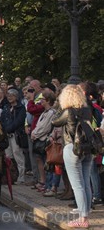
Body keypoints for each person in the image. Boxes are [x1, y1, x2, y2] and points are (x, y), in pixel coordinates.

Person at [52, 85, 93, 228]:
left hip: (72, 148)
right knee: (86, 183)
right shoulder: (87, 110)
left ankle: (82, 219)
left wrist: (59, 106)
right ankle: (85, 214)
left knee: (77, 186)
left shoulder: (68, 111)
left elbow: (54, 121)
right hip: (87, 148)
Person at [0, 88, 27, 185]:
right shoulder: (6, 107)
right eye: (8, 96)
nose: (9, 97)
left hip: (16, 134)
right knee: (8, 156)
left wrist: (8, 129)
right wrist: (4, 129)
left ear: (16, 97)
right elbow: (2, 119)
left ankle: (21, 176)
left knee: (18, 155)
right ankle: (11, 176)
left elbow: (18, 121)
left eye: (12, 96)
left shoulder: (21, 108)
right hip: (7, 135)